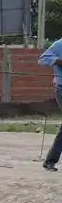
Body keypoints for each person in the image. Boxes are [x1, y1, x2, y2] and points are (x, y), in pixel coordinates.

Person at [36, 37, 62, 172]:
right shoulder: (59, 44)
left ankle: (50, 160)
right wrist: (58, 61)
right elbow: (42, 59)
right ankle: (50, 160)